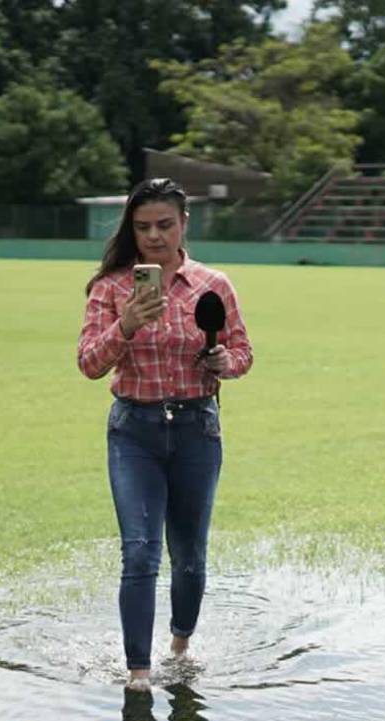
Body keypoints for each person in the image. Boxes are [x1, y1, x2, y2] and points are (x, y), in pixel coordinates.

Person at [77, 177, 253, 689]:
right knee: (140, 551)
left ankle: (180, 644)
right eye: (142, 227)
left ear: (184, 225)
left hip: (198, 429)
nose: (153, 236)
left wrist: (225, 359)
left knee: (190, 556)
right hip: (135, 432)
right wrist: (125, 324)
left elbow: (243, 354)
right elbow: (89, 364)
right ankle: (138, 671)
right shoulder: (111, 288)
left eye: (164, 225)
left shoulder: (213, 285)